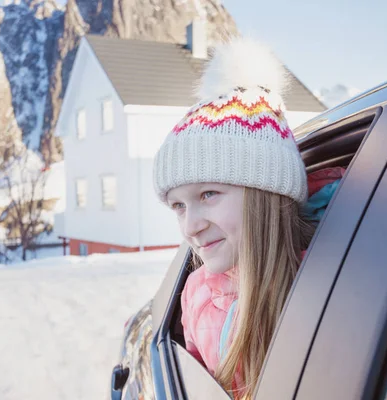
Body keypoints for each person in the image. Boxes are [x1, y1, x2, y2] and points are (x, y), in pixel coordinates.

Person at [152, 37, 318, 398]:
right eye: (178, 205)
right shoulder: (195, 294)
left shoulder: (327, 285)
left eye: (208, 194)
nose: (190, 227)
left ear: (265, 194)